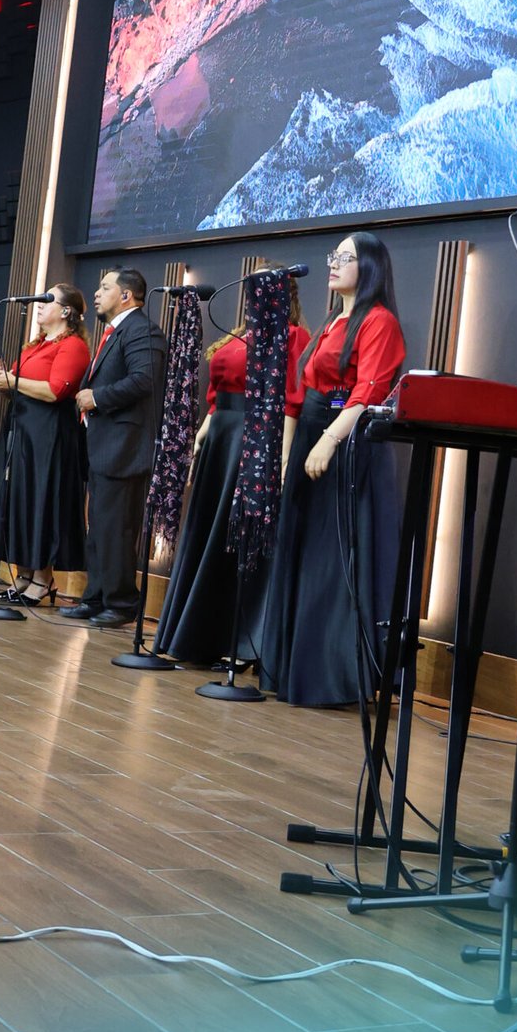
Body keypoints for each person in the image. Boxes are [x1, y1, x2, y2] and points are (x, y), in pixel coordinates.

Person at [258, 233, 406, 707]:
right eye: (334, 255)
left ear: (371, 268)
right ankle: (293, 668)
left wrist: (329, 440)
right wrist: (289, 454)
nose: (334, 263)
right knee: (301, 552)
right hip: (312, 435)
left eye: (346, 257)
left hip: (345, 442)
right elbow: (300, 394)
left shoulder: (378, 321)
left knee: (332, 559)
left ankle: (330, 676)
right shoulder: (331, 321)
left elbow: (369, 391)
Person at [157, 270, 309, 665]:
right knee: (208, 531)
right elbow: (218, 390)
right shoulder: (237, 335)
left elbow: (290, 399)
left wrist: (282, 457)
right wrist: (203, 432)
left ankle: (238, 642)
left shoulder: (292, 336)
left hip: (253, 437)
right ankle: (196, 635)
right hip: (221, 437)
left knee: (237, 537)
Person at [58, 268, 167, 628]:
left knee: (118, 528)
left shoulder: (143, 331)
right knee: (101, 527)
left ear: (125, 296)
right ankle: (95, 597)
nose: (97, 292)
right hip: (105, 446)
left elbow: (144, 380)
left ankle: (121, 603)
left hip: (125, 448)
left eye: (105, 287)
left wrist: (98, 397)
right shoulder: (115, 331)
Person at [0, 283, 90, 607]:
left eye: (47, 300)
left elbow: (56, 390)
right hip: (22, 431)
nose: (39, 304)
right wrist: (4, 382)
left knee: (42, 500)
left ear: (66, 311)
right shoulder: (36, 345)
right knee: (20, 500)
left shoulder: (72, 346)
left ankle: (43, 579)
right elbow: (20, 384)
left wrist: (13, 381)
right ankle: (23, 576)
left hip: (49, 435)